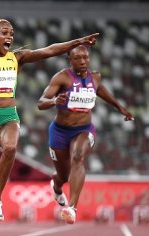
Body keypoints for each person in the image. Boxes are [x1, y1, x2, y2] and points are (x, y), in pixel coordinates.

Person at [0, 18, 99, 236]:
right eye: (5, 33)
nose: (10, 36)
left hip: (8, 116)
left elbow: (49, 50)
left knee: (10, 148)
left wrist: (77, 42)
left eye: (11, 33)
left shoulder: (17, 57)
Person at [37, 45, 134, 224]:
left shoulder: (95, 77)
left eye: (85, 58)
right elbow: (41, 102)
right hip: (59, 132)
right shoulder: (62, 78)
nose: (83, 61)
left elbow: (102, 91)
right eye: (78, 58)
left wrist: (120, 107)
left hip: (83, 129)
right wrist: (53, 101)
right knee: (64, 176)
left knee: (78, 157)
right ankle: (56, 186)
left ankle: (72, 208)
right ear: (70, 60)